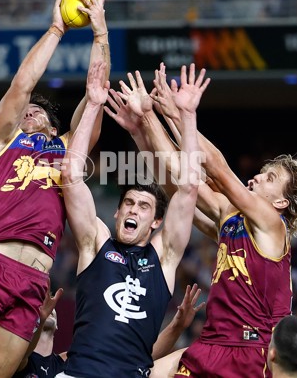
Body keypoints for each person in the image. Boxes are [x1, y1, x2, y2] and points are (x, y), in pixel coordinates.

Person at [109, 62, 297, 377]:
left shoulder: (273, 225)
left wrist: (179, 115)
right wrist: (144, 124)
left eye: (269, 178)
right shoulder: (230, 218)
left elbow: (218, 169)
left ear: (281, 202)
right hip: (211, 343)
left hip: (250, 351)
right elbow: (180, 183)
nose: (258, 177)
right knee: (135, 372)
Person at [0, 0, 111, 378]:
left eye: (35, 113)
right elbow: (21, 85)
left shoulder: (68, 151)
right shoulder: (3, 141)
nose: (26, 114)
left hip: (35, 278)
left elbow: (95, 94)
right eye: (24, 112)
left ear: (53, 127)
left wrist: (100, 33)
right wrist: (56, 30)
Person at [57, 61, 204, 377]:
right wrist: (93, 105)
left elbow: (189, 187)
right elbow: (69, 175)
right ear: (117, 212)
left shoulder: (163, 257)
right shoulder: (95, 243)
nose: (134, 210)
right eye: (129, 203)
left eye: (143, 206)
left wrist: (188, 116)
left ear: (155, 222)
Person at [13, 283, 206, 378]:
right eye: (41, 307)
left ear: (59, 326)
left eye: (50, 306)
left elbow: (140, 359)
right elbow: (24, 354)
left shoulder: (72, 361)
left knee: (186, 356)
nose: (48, 309)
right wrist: (39, 320)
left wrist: (177, 326)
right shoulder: (18, 360)